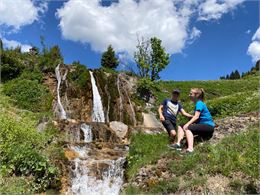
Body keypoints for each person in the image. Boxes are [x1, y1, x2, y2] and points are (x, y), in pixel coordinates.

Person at [173, 88, 215, 153]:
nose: (189, 95)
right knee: (181, 126)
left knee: (187, 128)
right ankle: (178, 143)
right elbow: (198, 117)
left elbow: (196, 116)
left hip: (208, 126)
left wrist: (188, 124)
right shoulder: (198, 104)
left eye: (191, 94)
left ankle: (190, 149)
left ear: (196, 95)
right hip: (204, 126)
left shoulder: (199, 103)